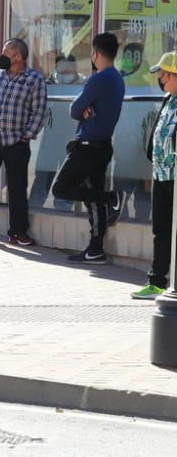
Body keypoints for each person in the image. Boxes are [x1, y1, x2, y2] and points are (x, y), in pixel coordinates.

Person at [48, 34, 125, 264]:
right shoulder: (118, 79)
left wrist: (84, 108)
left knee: (61, 188)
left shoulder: (98, 79)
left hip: (88, 147)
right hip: (102, 145)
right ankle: (95, 249)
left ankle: (109, 197)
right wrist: (87, 108)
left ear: (96, 54)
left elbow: (74, 109)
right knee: (93, 202)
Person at [0, 39, 48, 246]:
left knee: (17, 188)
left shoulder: (34, 79)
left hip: (16, 142)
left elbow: (39, 111)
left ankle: (18, 232)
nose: (2, 56)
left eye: (6, 52)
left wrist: (27, 135)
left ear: (18, 57)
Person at [132, 53, 177, 299]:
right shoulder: (168, 99)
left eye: (163, 75)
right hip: (162, 175)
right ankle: (157, 281)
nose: (160, 79)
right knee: (161, 230)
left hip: (176, 179)